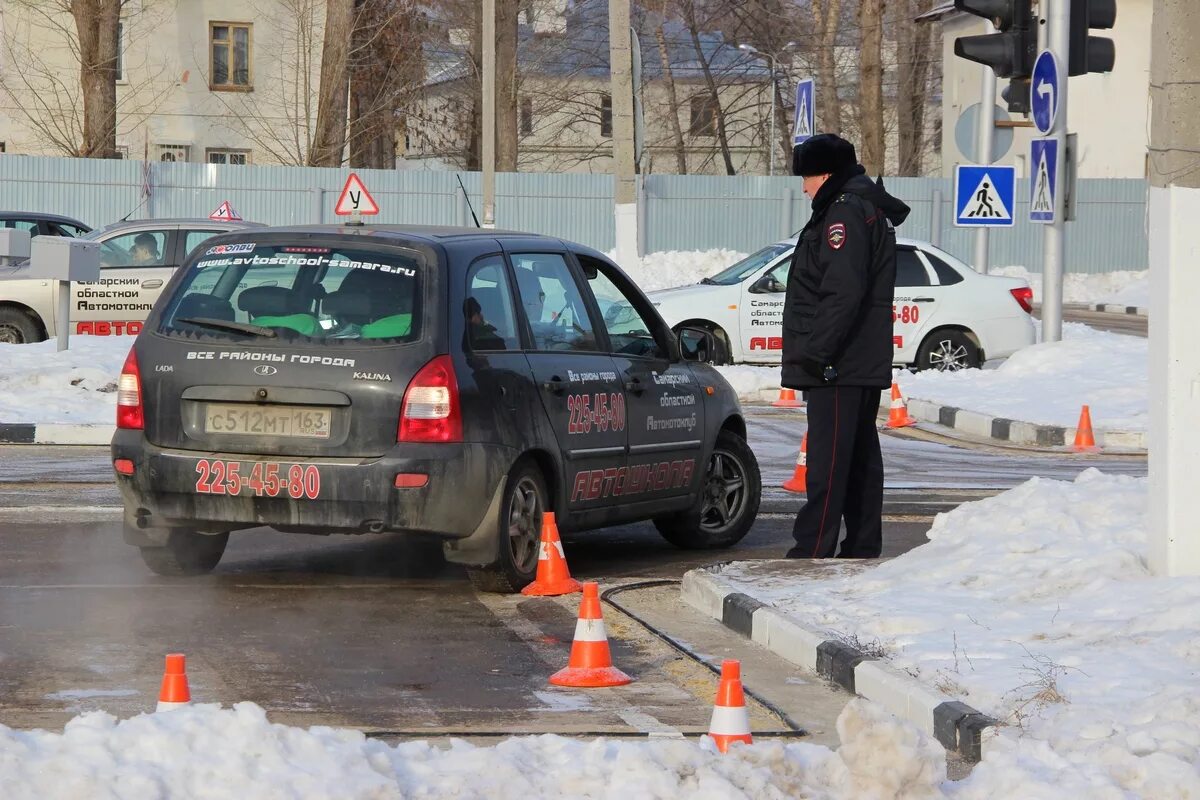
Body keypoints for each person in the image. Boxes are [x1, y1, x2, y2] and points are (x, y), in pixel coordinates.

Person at [782, 134, 911, 560]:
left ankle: (812, 548)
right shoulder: (857, 207)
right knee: (856, 460)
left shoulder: (844, 214)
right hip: (854, 359)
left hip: (839, 362)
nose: (803, 187)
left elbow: (842, 291)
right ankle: (860, 546)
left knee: (829, 461)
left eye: (807, 177)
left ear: (825, 174)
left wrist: (817, 353)